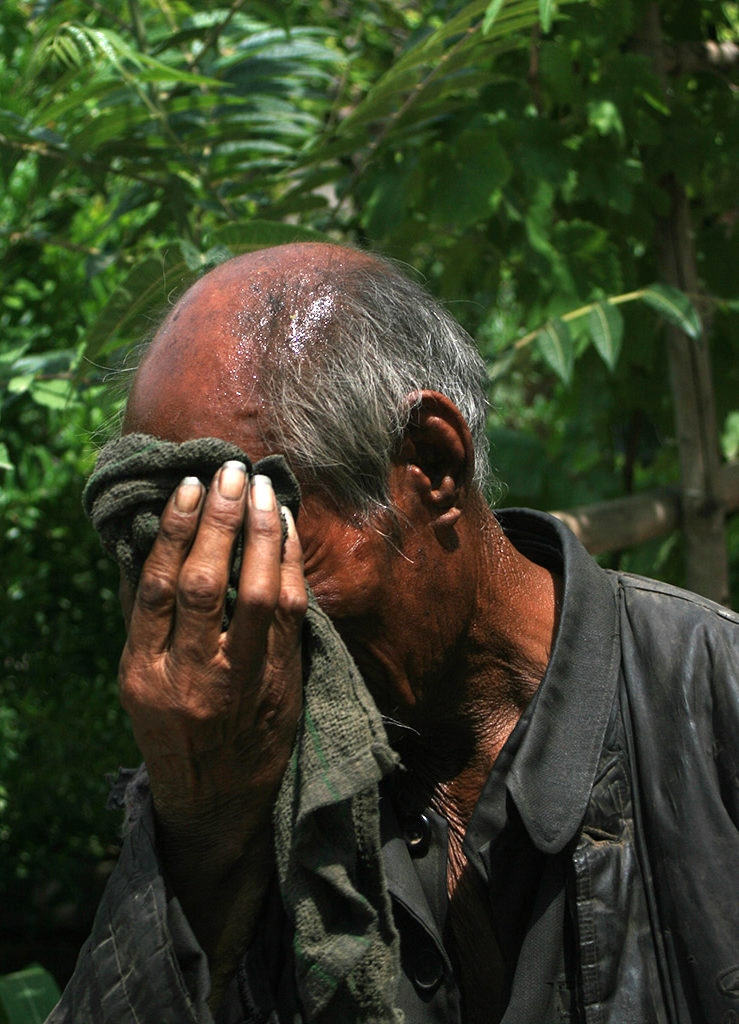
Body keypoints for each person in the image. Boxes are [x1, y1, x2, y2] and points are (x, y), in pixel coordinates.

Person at [50, 243, 739, 1024]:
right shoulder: (238, 759)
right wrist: (200, 833)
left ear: (428, 464)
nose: (236, 618)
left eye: (254, 546)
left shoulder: (711, 702)